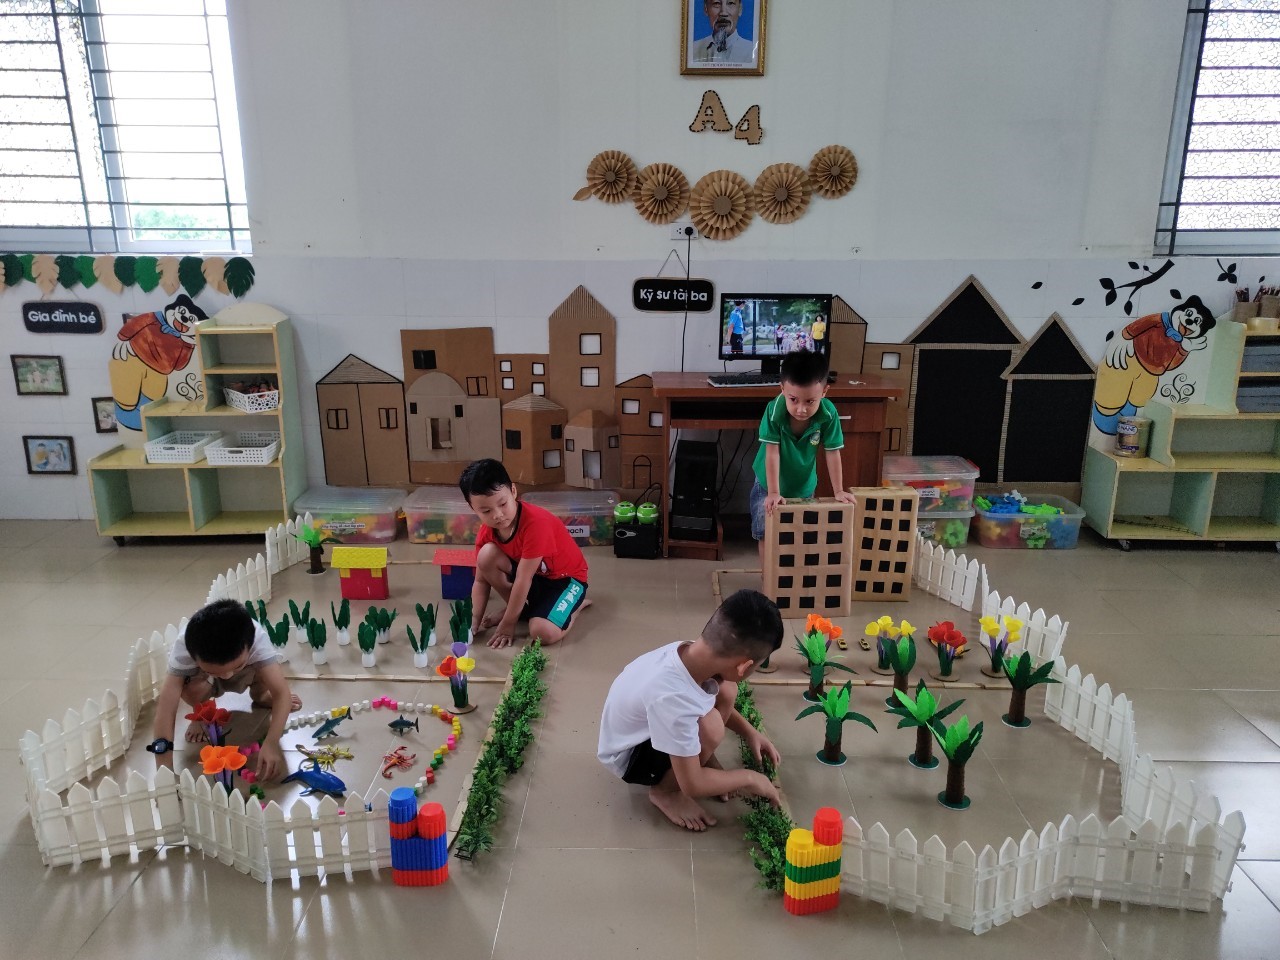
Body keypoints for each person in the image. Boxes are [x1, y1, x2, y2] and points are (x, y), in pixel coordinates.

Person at [597, 588, 782, 831]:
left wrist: (749, 732)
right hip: (630, 757)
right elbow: (692, 785)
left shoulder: (695, 652)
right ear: (744, 666)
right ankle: (666, 791)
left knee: (726, 689)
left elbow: (701, 699)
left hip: (650, 725)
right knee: (711, 727)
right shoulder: (672, 696)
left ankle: (696, 758)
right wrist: (750, 778)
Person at [148, 598, 300, 781]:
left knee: (269, 673)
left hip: (248, 674)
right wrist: (164, 770)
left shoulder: (257, 638)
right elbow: (166, 710)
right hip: (206, 682)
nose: (227, 677)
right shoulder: (184, 647)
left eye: (236, 666)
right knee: (186, 686)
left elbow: (282, 693)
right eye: (215, 670)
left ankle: (260, 695)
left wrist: (272, 742)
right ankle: (201, 713)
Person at [461, 458, 590, 649]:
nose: (497, 515)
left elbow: (523, 578)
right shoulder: (487, 532)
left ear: (513, 491)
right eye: (486, 511)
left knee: (542, 633)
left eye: (503, 504)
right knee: (486, 556)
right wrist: (473, 620)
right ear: (473, 508)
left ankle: (574, 608)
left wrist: (508, 624)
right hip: (534, 577)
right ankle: (522, 611)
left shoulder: (535, 524)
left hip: (566, 581)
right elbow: (481, 581)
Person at [749, 348, 856, 571]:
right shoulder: (773, 411)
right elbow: (772, 452)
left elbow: (832, 451)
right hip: (768, 484)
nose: (801, 409)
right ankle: (768, 581)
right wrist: (774, 492)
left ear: (824, 391)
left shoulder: (828, 414)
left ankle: (792, 579)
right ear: (782, 389)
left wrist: (838, 490)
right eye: (793, 399)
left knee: (799, 535)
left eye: (810, 401)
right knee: (767, 533)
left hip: (804, 485)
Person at [690, 0, 756, 65]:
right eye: (716, 3)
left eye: (730, 3)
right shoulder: (692, 50)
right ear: (706, 9)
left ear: (740, 9)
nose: (723, 13)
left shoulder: (752, 53)